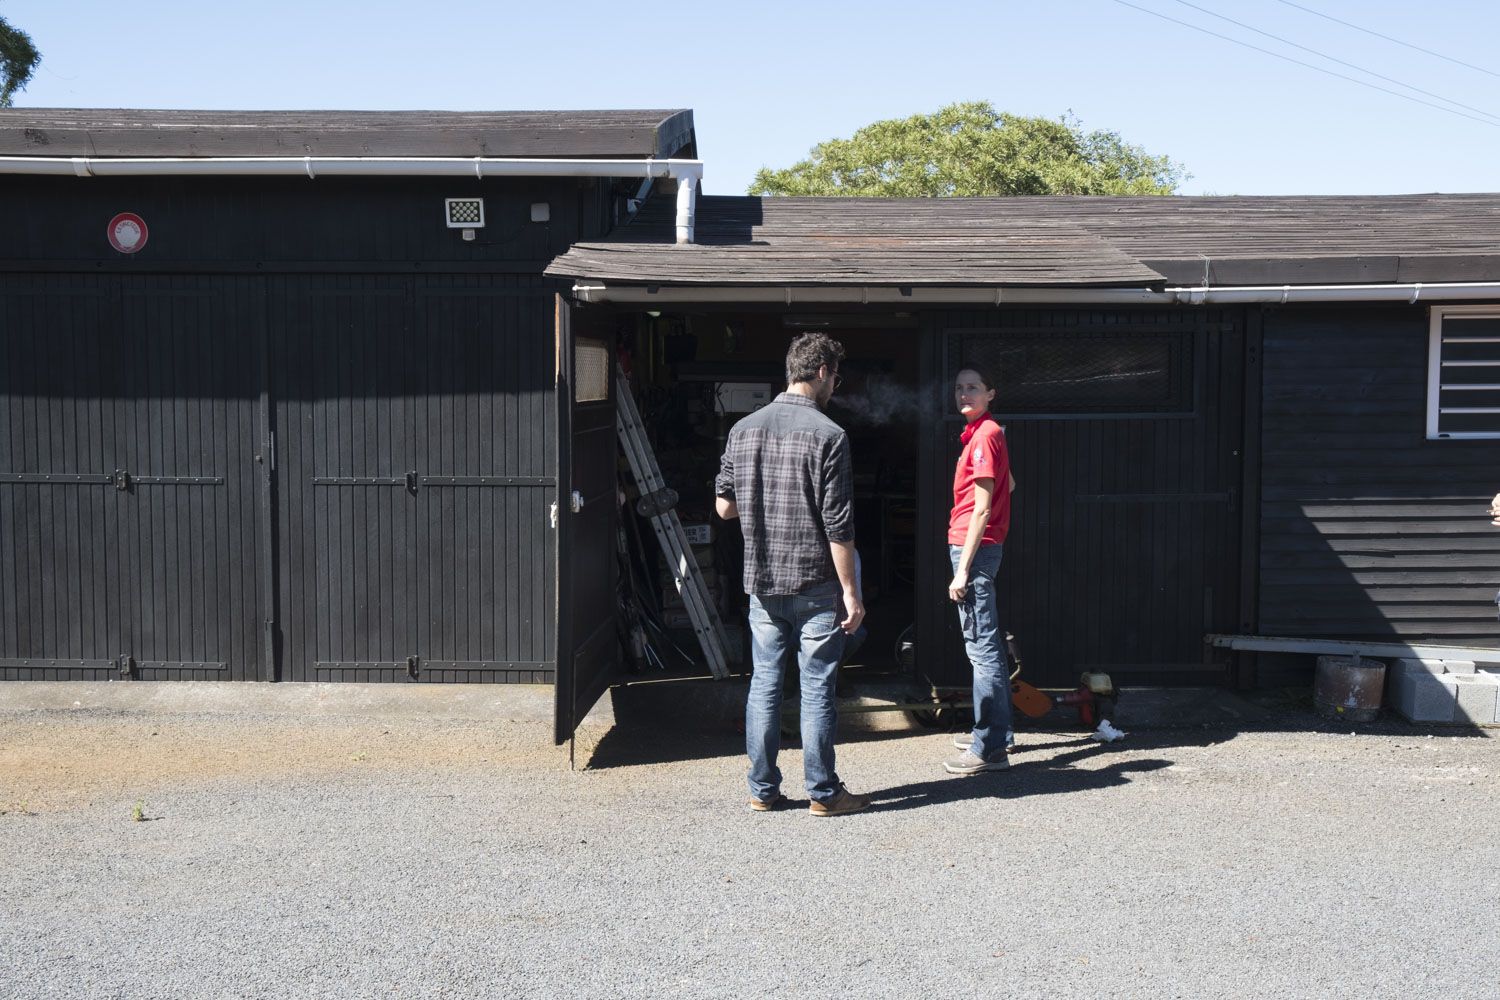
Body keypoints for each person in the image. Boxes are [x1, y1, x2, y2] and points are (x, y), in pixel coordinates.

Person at [715, 332, 869, 817]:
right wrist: (852, 592)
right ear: (822, 371)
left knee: (764, 684)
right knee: (816, 687)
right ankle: (823, 793)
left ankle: (763, 790)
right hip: (814, 584)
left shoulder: (743, 430)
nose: (835, 386)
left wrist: (765, 496)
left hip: (762, 582)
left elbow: (723, 507)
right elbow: (838, 527)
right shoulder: (830, 436)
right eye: (836, 377)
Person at [944, 366, 1016, 775]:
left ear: (991, 392)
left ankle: (988, 748)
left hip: (974, 551)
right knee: (988, 646)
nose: (964, 394)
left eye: (973, 387)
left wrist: (962, 571)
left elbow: (984, 507)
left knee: (982, 649)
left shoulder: (985, 436)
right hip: (983, 548)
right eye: (959, 388)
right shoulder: (985, 434)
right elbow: (1010, 485)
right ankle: (999, 734)